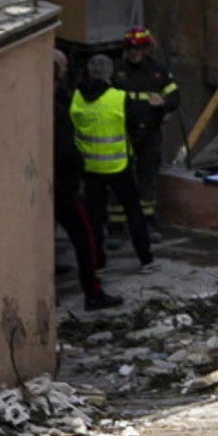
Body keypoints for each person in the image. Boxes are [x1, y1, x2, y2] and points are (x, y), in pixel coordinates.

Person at [68, 53, 155, 273]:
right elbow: (138, 123)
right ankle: (145, 259)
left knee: (94, 216)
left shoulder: (77, 96)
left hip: (90, 167)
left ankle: (98, 262)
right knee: (133, 210)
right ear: (110, 74)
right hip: (118, 165)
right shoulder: (119, 97)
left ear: (89, 71)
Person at [52, 49, 118, 310]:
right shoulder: (58, 109)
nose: (67, 73)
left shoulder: (52, 103)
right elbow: (67, 149)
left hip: (48, 183)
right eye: (64, 69)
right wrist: (78, 166)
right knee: (85, 237)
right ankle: (93, 292)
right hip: (64, 185)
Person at [114, 26, 180, 225]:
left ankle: (147, 220)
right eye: (130, 47)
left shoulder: (158, 71)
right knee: (120, 177)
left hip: (150, 133)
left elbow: (175, 97)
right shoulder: (117, 70)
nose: (133, 51)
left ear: (147, 48)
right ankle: (116, 223)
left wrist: (164, 103)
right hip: (122, 133)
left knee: (148, 177)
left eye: (138, 47)